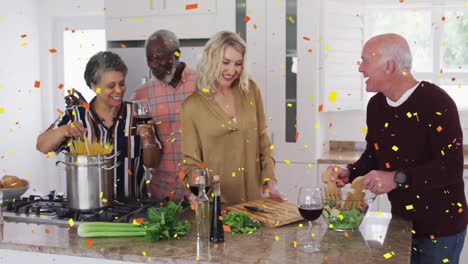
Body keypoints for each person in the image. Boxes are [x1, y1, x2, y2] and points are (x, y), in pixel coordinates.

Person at [326, 33, 467, 264]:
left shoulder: (436, 102)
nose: (361, 68)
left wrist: (397, 178)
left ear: (389, 66)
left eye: (365, 61)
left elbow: (450, 168)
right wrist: (351, 172)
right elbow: (374, 154)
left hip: (441, 230)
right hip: (401, 223)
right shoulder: (376, 105)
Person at [37, 51, 161, 200]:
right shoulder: (75, 115)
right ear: (93, 86)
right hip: (86, 208)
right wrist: (64, 130)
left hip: (131, 211)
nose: (118, 90)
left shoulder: (137, 114)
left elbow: (152, 163)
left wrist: (148, 138)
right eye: (111, 86)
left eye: (121, 83)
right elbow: (42, 146)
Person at [181, 31, 286, 205]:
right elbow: (191, 163)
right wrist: (196, 186)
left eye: (238, 63)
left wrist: (270, 182)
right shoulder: (191, 106)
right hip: (218, 207)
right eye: (225, 62)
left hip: (255, 203)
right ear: (211, 60)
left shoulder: (251, 90)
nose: (232, 70)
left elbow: (263, 142)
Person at [130, 30, 196, 203]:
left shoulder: (203, 84)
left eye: (158, 58)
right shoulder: (140, 95)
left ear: (176, 54)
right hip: (162, 195)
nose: (153, 65)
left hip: (200, 192)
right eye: (149, 59)